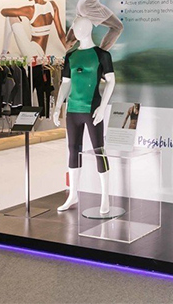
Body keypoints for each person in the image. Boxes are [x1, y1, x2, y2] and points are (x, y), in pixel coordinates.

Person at [53, 17, 116, 214]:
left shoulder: (102, 55)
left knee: (99, 150)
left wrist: (103, 107)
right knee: (73, 150)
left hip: (92, 108)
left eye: (80, 26)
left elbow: (111, 81)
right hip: (73, 110)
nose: (76, 30)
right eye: (75, 27)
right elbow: (65, 83)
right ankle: (73, 194)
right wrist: (57, 107)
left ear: (88, 28)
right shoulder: (70, 56)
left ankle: (105, 197)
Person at [1, 0, 70, 58]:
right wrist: (68, 51)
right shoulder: (53, 6)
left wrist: (15, 14)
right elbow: (61, 34)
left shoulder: (31, 10)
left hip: (32, 54)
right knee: (12, 57)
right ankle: (5, 54)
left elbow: (3, 11)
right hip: (39, 54)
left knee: (10, 16)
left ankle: (4, 51)